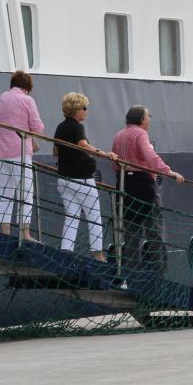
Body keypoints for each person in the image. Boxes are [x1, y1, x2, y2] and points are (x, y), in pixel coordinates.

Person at [111, 105, 184, 273]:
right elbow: (150, 156)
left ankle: (131, 275)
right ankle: (160, 273)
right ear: (142, 119)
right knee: (155, 231)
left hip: (124, 186)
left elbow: (114, 163)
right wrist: (169, 172)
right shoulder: (141, 134)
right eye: (148, 116)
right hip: (143, 186)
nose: (149, 119)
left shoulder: (119, 135)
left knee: (131, 234)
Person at [53, 92, 117, 262]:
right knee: (94, 216)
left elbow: (55, 151)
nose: (86, 111)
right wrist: (103, 154)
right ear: (76, 110)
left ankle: (65, 252)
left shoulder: (60, 127)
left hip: (64, 179)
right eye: (84, 108)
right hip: (81, 179)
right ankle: (98, 255)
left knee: (72, 216)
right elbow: (83, 144)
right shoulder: (77, 127)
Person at [0, 70, 44, 240]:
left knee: (4, 192)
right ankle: (24, 233)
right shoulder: (27, 100)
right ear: (27, 87)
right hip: (19, 152)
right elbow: (37, 127)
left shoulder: (2, 97)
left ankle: (5, 232)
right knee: (25, 193)